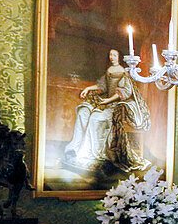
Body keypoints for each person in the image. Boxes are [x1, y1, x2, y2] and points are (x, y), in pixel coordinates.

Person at [62, 49, 151, 180]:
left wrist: (108, 101)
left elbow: (124, 92)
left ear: (119, 57)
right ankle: (78, 149)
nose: (112, 57)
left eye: (114, 55)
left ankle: (95, 154)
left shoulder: (123, 72)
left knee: (96, 119)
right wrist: (88, 88)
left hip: (117, 104)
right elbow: (102, 86)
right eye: (110, 54)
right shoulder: (110, 70)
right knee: (83, 111)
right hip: (106, 101)